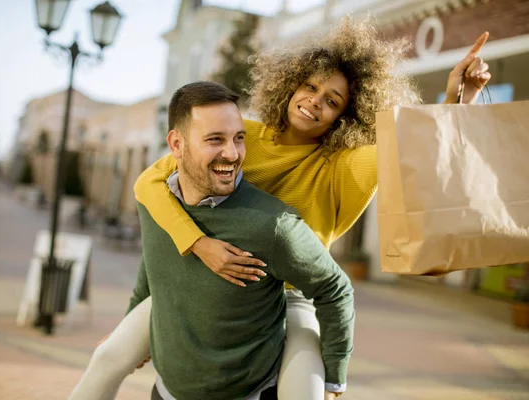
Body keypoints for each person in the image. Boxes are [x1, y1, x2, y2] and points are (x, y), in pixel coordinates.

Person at [72, 17, 492, 400]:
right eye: (310, 87)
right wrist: (198, 244)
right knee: (107, 357)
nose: (314, 101)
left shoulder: (344, 163)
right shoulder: (242, 136)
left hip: (289, 297)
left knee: (304, 393)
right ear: (291, 85)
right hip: (198, 276)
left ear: (344, 117)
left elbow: (411, 145)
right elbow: (149, 183)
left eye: (332, 100)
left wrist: (458, 99)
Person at [70, 81, 354, 399]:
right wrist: (129, 331)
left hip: (248, 390)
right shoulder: (155, 201)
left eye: (239, 139)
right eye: (215, 140)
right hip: (167, 392)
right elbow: (152, 270)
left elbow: (335, 289)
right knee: (103, 360)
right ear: (176, 144)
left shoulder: (274, 225)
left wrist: (334, 377)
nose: (232, 154)